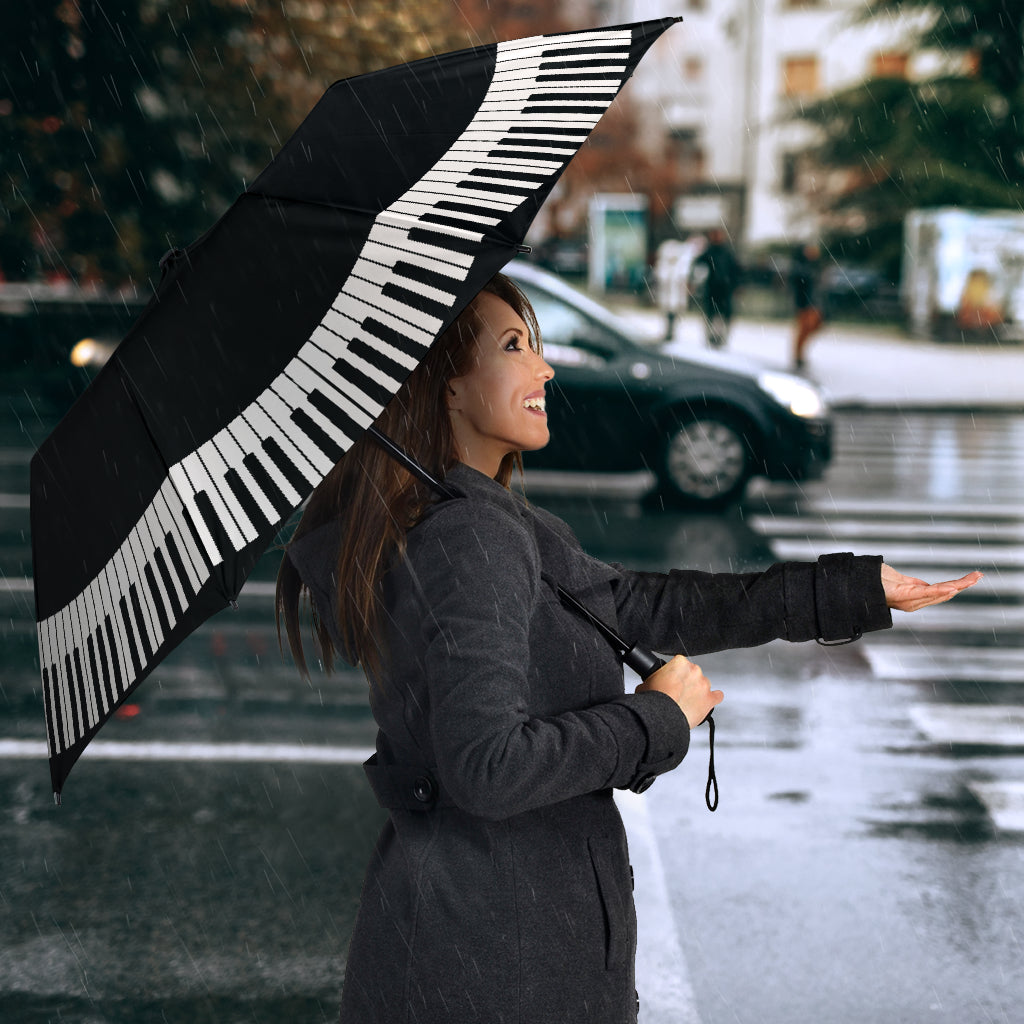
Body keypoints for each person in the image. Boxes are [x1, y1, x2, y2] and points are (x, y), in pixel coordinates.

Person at [276, 273, 980, 1024]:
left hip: (478, 942)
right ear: (446, 386)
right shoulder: (471, 537)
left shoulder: (474, 520)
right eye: (514, 347)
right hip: (500, 963)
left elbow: (640, 605)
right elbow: (488, 767)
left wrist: (847, 591)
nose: (545, 368)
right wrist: (655, 719)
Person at [691, 227, 741, 348]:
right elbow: (698, 266)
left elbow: (735, 270)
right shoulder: (709, 252)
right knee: (711, 313)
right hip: (712, 289)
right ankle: (711, 336)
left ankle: (720, 337)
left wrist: (736, 285)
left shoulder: (727, 253)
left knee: (722, 314)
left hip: (725, 289)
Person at [791, 242, 824, 370]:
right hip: (805, 303)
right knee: (804, 328)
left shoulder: (814, 266)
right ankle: (798, 355)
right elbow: (800, 283)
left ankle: (799, 354)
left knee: (813, 326)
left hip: (813, 302)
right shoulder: (801, 267)